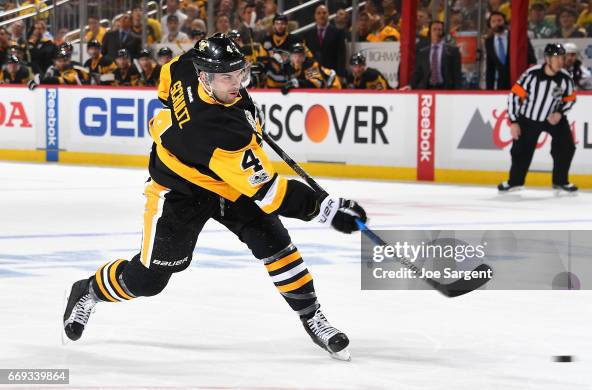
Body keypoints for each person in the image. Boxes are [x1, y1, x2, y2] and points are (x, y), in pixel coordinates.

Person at [63, 34, 365, 361]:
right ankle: (88, 290)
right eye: (228, 78)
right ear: (205, 77)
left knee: (275, 245)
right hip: (181, 189)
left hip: (229, 184)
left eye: (240, 74)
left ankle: (312, 317)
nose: (238, 83)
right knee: (148, 280)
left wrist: (174, 118)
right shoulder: (218, 130)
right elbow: (271, 193)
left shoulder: (184, 65)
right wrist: (327, 209)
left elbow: (166, 86)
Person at [499, 43, 578, 193]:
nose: (561, 61)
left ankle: (560, 181)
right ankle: (515, 182)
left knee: (566, 147)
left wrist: (560, 113)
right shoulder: (531, 74)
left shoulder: (566, 78)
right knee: (521, 151)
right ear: (548, 59)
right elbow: (514, 96)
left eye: (563, 57)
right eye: (557, 58)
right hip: (529, 119)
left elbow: (571, 99)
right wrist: (514, 121)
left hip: (553, 119)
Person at [485, 11, 537, 90]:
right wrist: (489, 90)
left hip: (521, 81)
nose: (497, 23)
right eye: (493, 21)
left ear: (504, 22)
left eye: (499, 20)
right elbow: (490, 68)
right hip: (502, 86)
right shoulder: (489, 41)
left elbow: (531, 56)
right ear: (490, 24)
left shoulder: (516, 36)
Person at [410, 21, 462, 90]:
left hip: (446, 89)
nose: (437, 32)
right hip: (427, 88)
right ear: (429, 32)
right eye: (434, 29)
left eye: (439, 30)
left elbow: (456, 74)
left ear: (443, 32)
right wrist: (410, 86)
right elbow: (418, 72)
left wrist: (457, 92)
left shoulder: (453, 51)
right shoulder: (423, 52)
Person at [303, 5, 346, 77]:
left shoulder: (338, 33)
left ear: (328, 14)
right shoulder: (308, 34)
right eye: (318, 13)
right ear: (315, 16)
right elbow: (306, 56)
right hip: (313, 74)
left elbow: (341, 56)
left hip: (332, 73)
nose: (321, 15)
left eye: (324, 13)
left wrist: (340, 75)